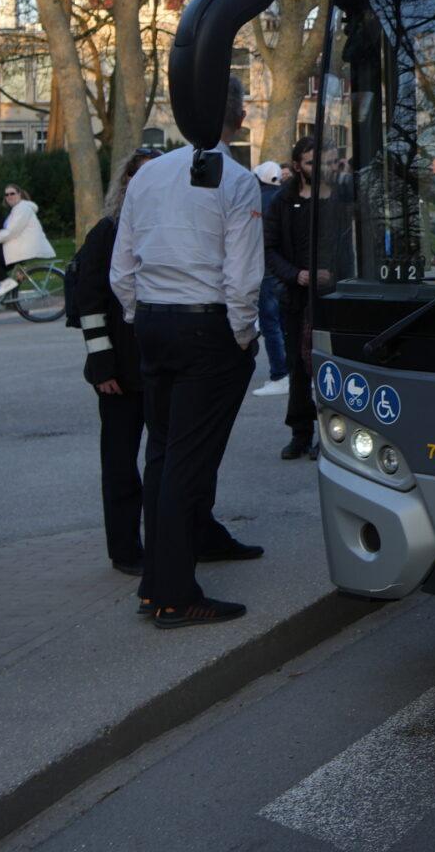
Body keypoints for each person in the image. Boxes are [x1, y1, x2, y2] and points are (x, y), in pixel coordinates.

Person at [112, 78, 267, 629]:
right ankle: (176, 594)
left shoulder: (149, 173)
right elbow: (243, 274)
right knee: (186, 461)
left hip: (155, 321)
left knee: (162, 454)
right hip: (206, 328)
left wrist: (139, 314)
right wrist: (242, 335)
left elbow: (121, 263)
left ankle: (159, 583)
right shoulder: (239, 181)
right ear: (239, 117)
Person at [70, 151, 157, 576]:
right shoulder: (105, 233)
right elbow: (89, 305)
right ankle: (125, 550)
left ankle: (175, 538)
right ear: (124, 184)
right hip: (120, 373)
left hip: (163, 366)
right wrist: (103, 368)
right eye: (138, 177)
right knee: (121, 464)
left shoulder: (166, 230)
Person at [266, 137, 356, 459]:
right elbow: (270, 249)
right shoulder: (282, 202)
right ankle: (300, 433)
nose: (319, 169)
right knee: (298, 367)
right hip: (295, 298)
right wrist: (296, 275)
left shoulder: (343, 200)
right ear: (296, 166)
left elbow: (353, 246)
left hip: (333, 298)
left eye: (325, 161)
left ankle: (330, 434)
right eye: (310, 162)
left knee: (330, 369)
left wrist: (337, 275)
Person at [0, 183, 56, 306]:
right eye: (6, 194)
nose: (9, 196)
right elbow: (15, 229)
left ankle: (7, 285)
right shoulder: (18, 209)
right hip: (19, 245)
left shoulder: (22, 208)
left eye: (12, 193)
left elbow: (12, 231)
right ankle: (0, 302)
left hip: (23, 247)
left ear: (19, 194)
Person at [251, 161, 290, 397]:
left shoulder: (257, 201)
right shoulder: (285, 198)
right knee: (285, 321)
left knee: (270, 322)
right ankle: (291, 371)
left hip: (265, 264)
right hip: (285, 267)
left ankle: (279, 373)